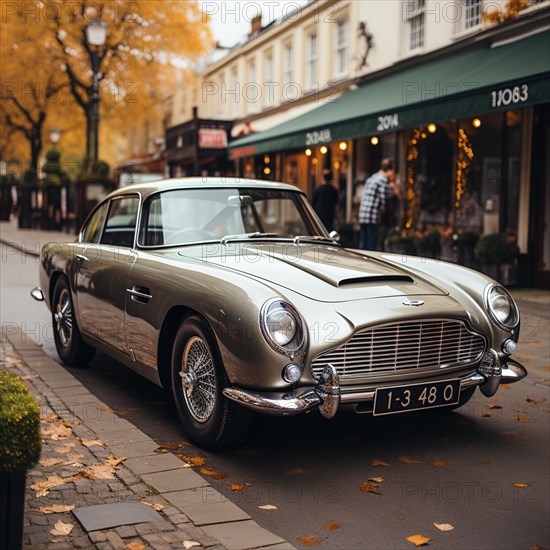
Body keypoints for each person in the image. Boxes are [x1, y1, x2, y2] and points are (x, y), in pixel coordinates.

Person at [358, 158, 397, 250]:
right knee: (371, 245)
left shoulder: (372, 177)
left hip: (363, 214)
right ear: (389, 170)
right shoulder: (383, 180)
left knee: (363, 243)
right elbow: (384, 199)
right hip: (372, 216)